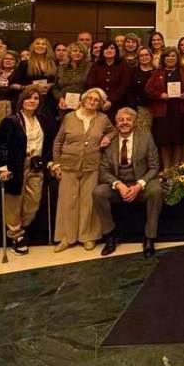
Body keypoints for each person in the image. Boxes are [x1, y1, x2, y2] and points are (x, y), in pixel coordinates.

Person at [51, 88, 115, 252]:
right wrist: (56, 163)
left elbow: (113, 130)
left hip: (91, 165)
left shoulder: (103, 119)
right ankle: (66, 238)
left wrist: (107, 137)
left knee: (88, 202)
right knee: (68, 202)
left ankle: (88, 237)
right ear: (84, 100)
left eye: (96, 100)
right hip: (68, 165)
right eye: (90, 99)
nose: (93, 102)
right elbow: (58, 141)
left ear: (100, 104)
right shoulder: (70, 117)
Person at [0, 86, 57, 252]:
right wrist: (2, 168)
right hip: (16, 165)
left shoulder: (43, 120)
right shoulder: (11, 120)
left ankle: (22, 227)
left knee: (33, 202)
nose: (32, 101)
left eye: (36, 98)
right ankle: (16, 234)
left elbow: (48, 143)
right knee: (14, 201)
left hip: (37, 164)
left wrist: (49, 161)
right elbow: (0, 145)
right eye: (29, 98)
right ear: (22, 100)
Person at [94, 108, 162, 258]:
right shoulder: (109, 141)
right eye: (121, 120)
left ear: (135, 122)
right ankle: (110, 236)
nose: (124, 122)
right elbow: (103, 170)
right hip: (119, 185)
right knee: (98, 192)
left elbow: (154, 166)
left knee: (156, 190)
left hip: (141, 184)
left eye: (128, 119)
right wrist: (118, 185)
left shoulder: (146, 137)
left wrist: (139, 185)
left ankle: (149, 237)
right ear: (116, 123)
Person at [144, 47, 184, 168]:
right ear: (163, 58)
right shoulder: (157, 72)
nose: (170, 58)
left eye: (173, 56)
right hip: (163, 112)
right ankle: (167, 167)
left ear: (177, 58)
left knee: (179, 139)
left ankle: (176, 168)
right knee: (164, 141)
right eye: (167, 56)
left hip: (180, 111)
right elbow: (148, 89)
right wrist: (160, 95)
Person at [85, 41, 128, 116]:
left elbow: (124, 86)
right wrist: (100, 100)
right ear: (102, 51)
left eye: (112, 48)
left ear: (116, 51)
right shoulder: (96, 65)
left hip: (117, 104)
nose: (109, 50)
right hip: (98, 103)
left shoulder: (123, 65)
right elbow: (90, 83)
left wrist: (111, 101)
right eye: (106, 48)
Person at [54, 41, 91, 113]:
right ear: (70, 53)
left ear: (84, 54)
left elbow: (93, 87)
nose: (77, 53)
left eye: (81, 51)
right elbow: (55, 87)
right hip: (64, 105)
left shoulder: (90, 67)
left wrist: (84, 100)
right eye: (75, 51)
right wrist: (60, 98)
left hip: (84, 105)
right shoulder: (61, 68)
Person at [126, 47, 156, 131]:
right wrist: (133, 109)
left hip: (155, 108)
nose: (144, 57)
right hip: (139, 108)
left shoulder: (157, 72)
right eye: (141, 56)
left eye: (146, 55)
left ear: (151, 56)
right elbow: (130, 92)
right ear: (138, 58)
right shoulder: (133, 72)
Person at [0, 50, 22, 130]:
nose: (8, 61)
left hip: (12, 106)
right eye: (6, 59)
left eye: (11, 59)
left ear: (16, 62)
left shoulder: (19, 74)